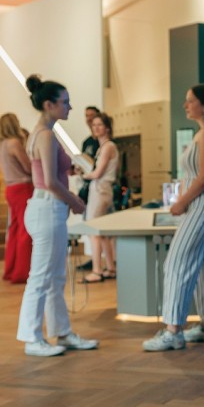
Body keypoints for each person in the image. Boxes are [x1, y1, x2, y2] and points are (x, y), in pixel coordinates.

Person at [143, 84, 204, 351]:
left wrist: (181, 202)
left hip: (202, 204)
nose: (186, 105)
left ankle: (173, 330)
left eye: (190, 100)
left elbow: (203, 177)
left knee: (176, 263)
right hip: (203, 204)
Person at [16, 75, 99, 357]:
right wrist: (75, 200)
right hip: (48, 207)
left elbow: (49, 175)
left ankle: (62, 332)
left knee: (54, 277)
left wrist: (69, 175)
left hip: (45, 207)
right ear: (49, 104)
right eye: (65, 102)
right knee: (42, 277)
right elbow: (50, 181)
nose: (70, 107)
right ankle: (32, 338)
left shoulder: (39, 132)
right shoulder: (46, 135)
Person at [79, 112, 119, 282]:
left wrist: (84, 174)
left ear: (107, 128)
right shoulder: (105, 147)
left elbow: (97, 173)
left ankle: (97, 270)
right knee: (102, 233)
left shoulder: (108, 146)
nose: (95, 128)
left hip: (100, 190)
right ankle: (110, 268)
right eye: (94, 125)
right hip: (102, 190)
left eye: (99, 125)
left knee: (93, 231)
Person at [0, 113, 33, 283]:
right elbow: (28, 167)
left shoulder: (1, 144)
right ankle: (22, 272)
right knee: (25, 230)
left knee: (13, 230)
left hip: (10, 188)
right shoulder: (14, 143)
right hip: (23, 188)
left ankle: (10, 269)